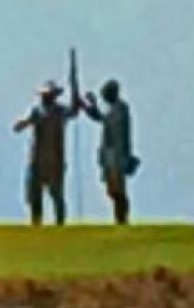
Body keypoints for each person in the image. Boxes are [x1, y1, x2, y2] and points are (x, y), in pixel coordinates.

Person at [12, 81, 78, 226]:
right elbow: (25, 122)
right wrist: (21, 124)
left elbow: (74, 111)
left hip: (55, 161)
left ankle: (60, 225)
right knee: (35, 196)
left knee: (57, 196)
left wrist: (75, 91)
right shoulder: (37, 111)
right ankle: (36, 224)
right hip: (37, 160)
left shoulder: (60, 111)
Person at [77, 78, 138, 225]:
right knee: (112, 189)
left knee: (118, 190)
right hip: (110, 156)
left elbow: (104, 119)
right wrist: (89, 105)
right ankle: (120, 217)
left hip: (117, 155)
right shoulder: (114, 109)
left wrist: (90, 106)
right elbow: (101, 117)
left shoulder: (120, 109)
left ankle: (122, 219)